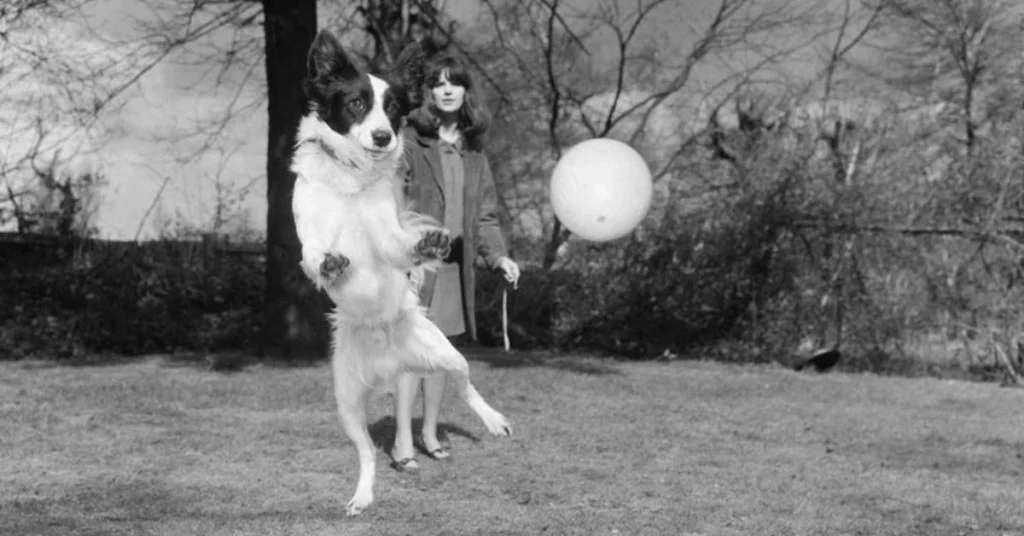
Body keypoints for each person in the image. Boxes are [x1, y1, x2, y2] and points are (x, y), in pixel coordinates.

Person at [390, 52, 520, 472]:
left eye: (455, 83)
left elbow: (484, 218)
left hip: (451, 270)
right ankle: (402, 443)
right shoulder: (410, 141)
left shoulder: (476, 157)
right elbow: (391, 197)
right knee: (411, 353)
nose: (447, 89)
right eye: (439, 83)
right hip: (414, 266)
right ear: (429, 93)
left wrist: (498, 256)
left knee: (441, 355)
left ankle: (429, 435)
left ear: (465, 93)